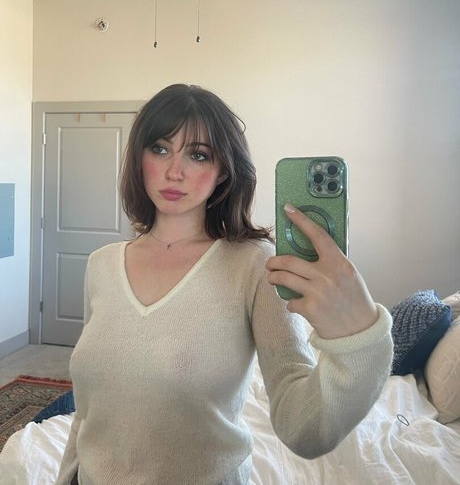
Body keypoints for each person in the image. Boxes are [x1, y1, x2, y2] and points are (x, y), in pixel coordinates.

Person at [56, 83, 393, 485]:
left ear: (223, 172)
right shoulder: (101, 264)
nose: (174, 171)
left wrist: (358, 339)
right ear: (138, 158)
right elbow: (88, 410)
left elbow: (304, 428)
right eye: (160, 149)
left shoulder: (253, 264)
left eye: (198, 154)